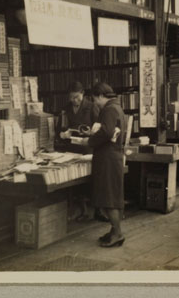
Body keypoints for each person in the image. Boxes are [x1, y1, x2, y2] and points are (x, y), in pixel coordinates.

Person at [55, 81, 107, 223]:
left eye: (77, 97)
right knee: (76, 181)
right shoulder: (65, 109)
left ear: (83, 94)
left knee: (93, 180)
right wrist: (62, 134)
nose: (74, 100)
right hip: (72, 149)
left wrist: (91, 133)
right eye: (71, 97)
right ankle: (82, 210)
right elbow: (59, 129)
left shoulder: (91, 107)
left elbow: (99, 127)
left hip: (88, 149)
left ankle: (97, 210)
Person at [83, 82, 126, 247]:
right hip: (113, 156)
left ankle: (117, 233)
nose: (95, 103)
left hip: (107, 158)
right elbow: (110, 130)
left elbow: (107, 132)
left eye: (95, 99)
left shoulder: (108, 109)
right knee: (113, 196)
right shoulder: (117, 107)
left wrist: (90, 140)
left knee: (109, 198)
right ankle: (115, 231)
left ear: (100, 95)